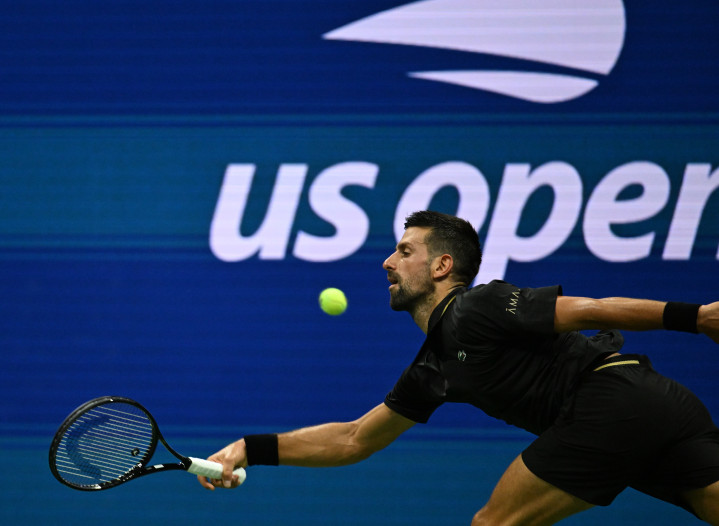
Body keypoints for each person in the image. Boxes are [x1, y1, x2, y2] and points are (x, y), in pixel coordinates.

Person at [197, 210, 719, 525]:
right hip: (663, 404)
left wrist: (695, 317)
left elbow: (590, 309)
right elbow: (354, 439)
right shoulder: (433, 367)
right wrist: (249, 449)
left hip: (609, 399)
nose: (387, 262)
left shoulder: (477, 306)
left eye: (404, 251)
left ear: (442, 266)